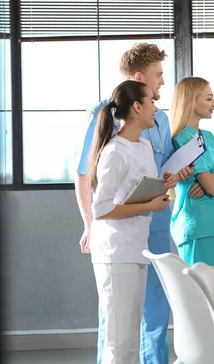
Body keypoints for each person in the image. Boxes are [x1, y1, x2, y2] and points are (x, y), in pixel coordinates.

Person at [74, 43, 193, 364]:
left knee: (152, 308)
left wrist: (170, 178)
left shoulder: (155, 126)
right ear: (140, 82)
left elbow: (154, 171)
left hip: (149, 226)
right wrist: (89, 225)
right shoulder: (106, 121)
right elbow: (86, 177)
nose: (163, 84)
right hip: (118, 232)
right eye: (158, 76)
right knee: (117, 325)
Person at [87, 80, 177, 364]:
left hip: (136, 248)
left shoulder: (145, 146)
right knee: (119, 341)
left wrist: (164, 183)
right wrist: (148, 205)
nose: (156, 107)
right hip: (115, 252)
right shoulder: (114, 151)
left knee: (132, 338)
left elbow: (139, 186)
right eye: (151, 101)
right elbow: (101, 209)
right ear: (137, 107)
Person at [169, 77, 214, 266]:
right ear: (191, 100)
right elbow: (213, 188)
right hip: (198, 225)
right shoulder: (181, 139)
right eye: (209, 99)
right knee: (201, 292)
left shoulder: (209, 137)